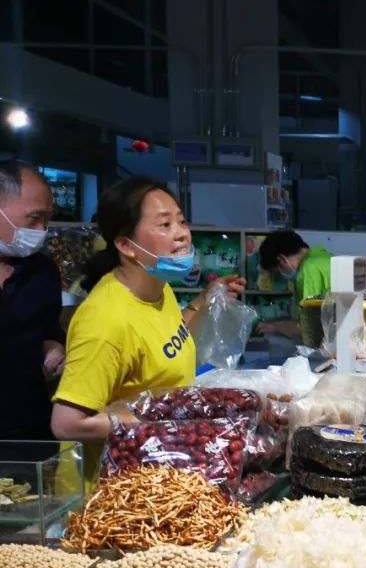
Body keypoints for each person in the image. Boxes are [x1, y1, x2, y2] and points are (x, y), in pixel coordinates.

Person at [51, 176, 244, 477]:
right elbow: (66, 423)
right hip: (114, 493)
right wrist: (161, 422)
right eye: (165, 225)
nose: (182, 235)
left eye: (181, 222)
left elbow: (168, 339)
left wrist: (205, 299)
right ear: (126, 245)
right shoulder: (105, 320)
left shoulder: (158, 287)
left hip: (156, 473)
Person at [0, 161, 64, 442]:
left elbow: (48, 328)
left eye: (46, 220)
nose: (41, 230)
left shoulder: (42, 272)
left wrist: (54, 347)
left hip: (30, 431)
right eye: (34, 218)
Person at [255, 230, 332, 337]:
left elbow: (309, 327)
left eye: (277, 272)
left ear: (282, 259)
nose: (281, 277)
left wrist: (274, 327)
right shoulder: (321, 255)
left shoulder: (308, 271)